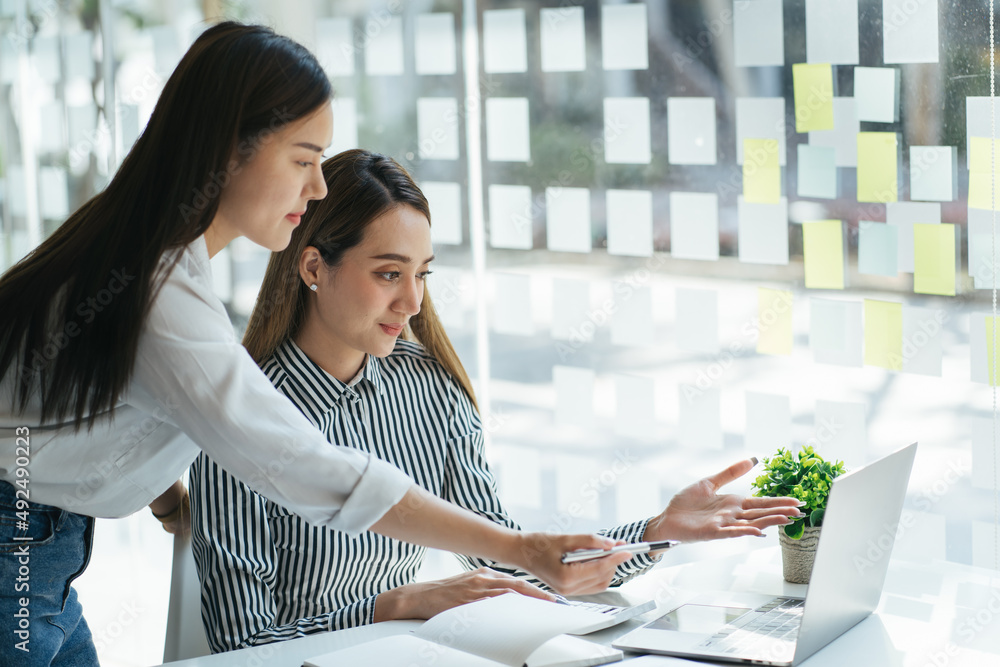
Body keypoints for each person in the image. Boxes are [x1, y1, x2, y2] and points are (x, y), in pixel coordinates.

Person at [0, 24, 632, 666]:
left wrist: (158, 486)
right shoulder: (159, 292)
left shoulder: (142, 253)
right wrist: (519, 552)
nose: (318, 187)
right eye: (304, 160)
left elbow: (63, 405)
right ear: (228, 152)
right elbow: (304, 466)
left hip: (39, 536)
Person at [189, 149, 805, 652]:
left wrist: (653, 533)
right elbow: (244, 642)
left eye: (422, 274)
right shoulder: (240, 418)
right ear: (314, 268)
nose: (412, 304)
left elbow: (512, 558)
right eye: (387, 273)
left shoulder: (425, 387)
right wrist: (396, 604)